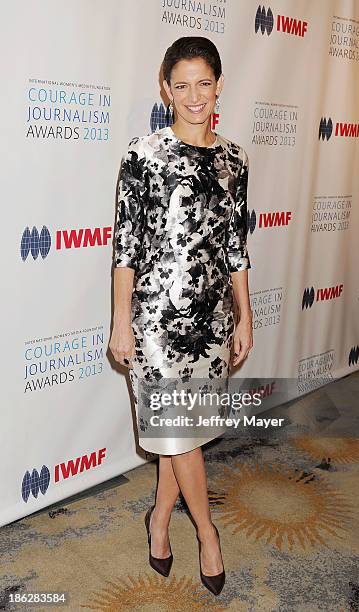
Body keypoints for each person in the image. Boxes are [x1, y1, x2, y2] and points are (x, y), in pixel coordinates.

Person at [109, 36, 253, 596]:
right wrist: (122, 321)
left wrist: (243, 315)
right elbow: (126, 247)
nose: (194, 96)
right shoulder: (142, 157)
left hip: (210, 322)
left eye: (204, 83)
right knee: (183, 436)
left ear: (219, 86)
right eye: (182, 84)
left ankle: (160, 521)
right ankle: (208, 534)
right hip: (155, 325)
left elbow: (236, 247)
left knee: (179, 435)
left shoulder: (235, 159)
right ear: (165, 89)